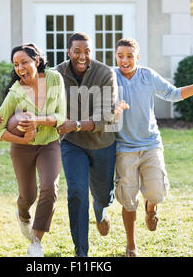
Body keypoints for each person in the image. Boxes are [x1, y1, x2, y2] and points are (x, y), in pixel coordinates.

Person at [113, 38, 193, 257]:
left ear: (137, 57)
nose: (124, 60)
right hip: (123, 147)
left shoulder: (147, 75)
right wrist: (111, 108)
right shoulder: (110, 77)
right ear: (116, 56)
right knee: (128, 198)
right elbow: (97, 103)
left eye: (129, 56)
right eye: (120, 56)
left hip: (151, 143)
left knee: (156, 193)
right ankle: (131, 245)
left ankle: (151, 207)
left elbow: (173, 94)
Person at [54, 32, 126, 257]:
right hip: (72, 143)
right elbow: (37, 98)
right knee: (76, 192)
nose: (82, 56)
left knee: (104, 195)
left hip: (102, 142)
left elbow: (107, 115)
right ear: (68, 52)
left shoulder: (104, 73)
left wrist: (75, 124)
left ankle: (100, 208)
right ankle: (81, 252)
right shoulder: (56, 74)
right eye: (77, 51)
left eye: (87, 51)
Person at [0, 44, 66, 257]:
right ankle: (23, 215)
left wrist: (37, 121)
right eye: (16, 64)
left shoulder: (54, 80)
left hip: (49, 143)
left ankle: (35, 243)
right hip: (22, 148)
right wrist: (23, 139)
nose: (20, 67)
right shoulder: (15, 92)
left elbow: (61, 117)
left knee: (50, 188)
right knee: (28, 196)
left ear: (37, 61)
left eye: (24, 61)